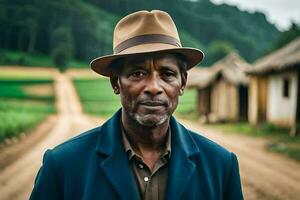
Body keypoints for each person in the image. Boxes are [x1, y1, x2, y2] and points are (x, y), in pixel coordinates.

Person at [30, 10, 243, 200]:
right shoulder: (63, 165)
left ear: (183, 82)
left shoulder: (222, 166)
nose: (153, 87)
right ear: (116, 82)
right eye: (137, 73)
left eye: (167, 74)